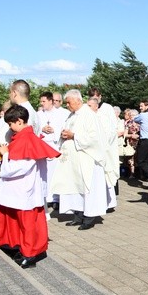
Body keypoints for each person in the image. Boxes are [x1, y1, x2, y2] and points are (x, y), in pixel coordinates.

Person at [0, 104, 60, 268]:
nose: (10, 128)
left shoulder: (27, 139)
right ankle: (20, 247)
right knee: (18, 220)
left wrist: (6, 153)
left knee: (27, 223)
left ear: (20, 121)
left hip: (24, 189)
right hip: (20, 189)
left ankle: (30, 254)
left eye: (11, 124)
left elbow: (18, 168)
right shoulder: (24, 137)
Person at [51, 90, 108, 230]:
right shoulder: (71, 115)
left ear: (78, 100)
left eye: (69, 102)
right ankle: (78, 214)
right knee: (75, 187)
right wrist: (63, 134)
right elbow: (67, 131)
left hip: (87, 159)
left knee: (87, 189)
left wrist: (74, 136)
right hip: (73, 160)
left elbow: (94, 139)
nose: (67, 105)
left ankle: (89, 217)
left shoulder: (89, 115)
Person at [37, 91, 69, 209]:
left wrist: (54, 129)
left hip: (56, 146)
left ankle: (56, 198)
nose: (42, 103)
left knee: (56, 174)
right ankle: (46, 197)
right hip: (43, 146)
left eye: (44, 101)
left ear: (51, 101)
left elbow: (65, 127)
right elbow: (34, 128)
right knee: (44, 174)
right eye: (41, 101)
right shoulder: (38, 114)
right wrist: (42, 128)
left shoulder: (62, 114)